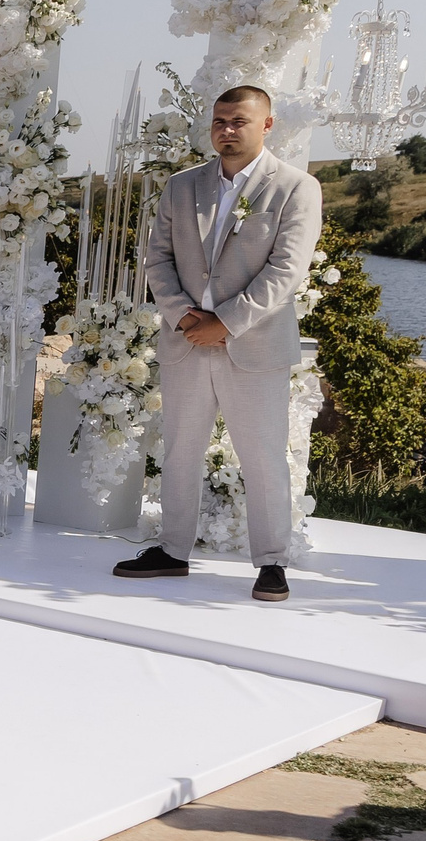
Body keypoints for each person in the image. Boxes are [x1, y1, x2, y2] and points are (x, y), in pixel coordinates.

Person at [114, 85, 323, 602]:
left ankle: (272, 561)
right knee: (180, 449)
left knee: (263, 457)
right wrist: (184, 315)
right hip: (185, 339)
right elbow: (157, 259)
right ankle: (171, 550)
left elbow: (286, 270)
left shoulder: (297, 187)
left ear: (267, 125)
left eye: (239, 121)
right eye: (219, 121)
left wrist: (225, 323)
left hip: (252, 346)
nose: (227, 130)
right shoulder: (182, 186)